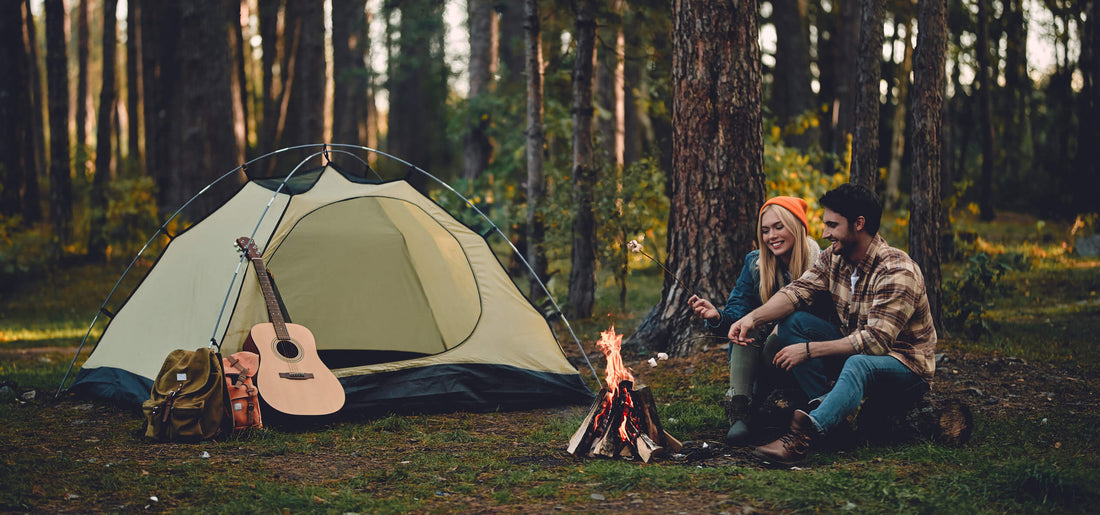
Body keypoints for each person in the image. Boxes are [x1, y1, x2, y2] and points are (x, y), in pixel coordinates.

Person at [728, 183, 937, 465]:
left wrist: (809, 350)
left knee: (859, 363)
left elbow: (875, 343)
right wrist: (752, 318)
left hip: (903, 365)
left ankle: (805, 434)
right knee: (794, 322)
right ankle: (833, 414)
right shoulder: (833, 259)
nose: (825, 233)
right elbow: (795, 292)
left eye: (832, 225)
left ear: (859, 224)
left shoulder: (897, 270)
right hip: (855, 354)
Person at [688, 196, 820, 445]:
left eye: (779, 227)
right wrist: (717, 316)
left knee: (779, 332)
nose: (772, 236)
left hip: (801, 352)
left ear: (797, 226)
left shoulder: (819, 263)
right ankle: (740, 412)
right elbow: (738, 309)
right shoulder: (755, 262)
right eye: (765, 230)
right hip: (760, 351)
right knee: (746, 329)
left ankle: (763, 403)